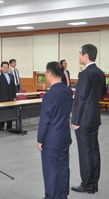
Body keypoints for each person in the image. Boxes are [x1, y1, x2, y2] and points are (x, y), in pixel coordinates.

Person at [71, 44, 107, 194]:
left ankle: (87, 184)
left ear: (86, 56)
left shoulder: (85, 74)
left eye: (80, 53)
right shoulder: (100, 72)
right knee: (93, 151)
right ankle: (94, 183)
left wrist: (75, 120)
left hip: (84, 119)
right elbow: (103, 92)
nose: (79, 55)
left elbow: (80, 98)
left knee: (85, 152)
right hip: (94, 117)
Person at [37, 61, 73, 199]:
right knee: (63, 168)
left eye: (46, 72)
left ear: (50, 74)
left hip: (51, 139)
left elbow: (45, 120)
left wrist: (40, 139)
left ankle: (51, 196)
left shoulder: (50, 94)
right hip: (64, 135)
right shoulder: (67, 90)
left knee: (51, 170)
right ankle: (62, 195)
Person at [0, 61, 16, 131]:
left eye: (7, 67)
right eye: (4, 67)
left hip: (10, 97)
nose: (5, 68)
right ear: (1, 68)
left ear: (8, 68)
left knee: (10, 112)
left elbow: (13, 87)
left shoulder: (11, 76)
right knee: (2, 113)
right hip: (2, 97)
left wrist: (14, 96)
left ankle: (9, 126)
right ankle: (1, 126)